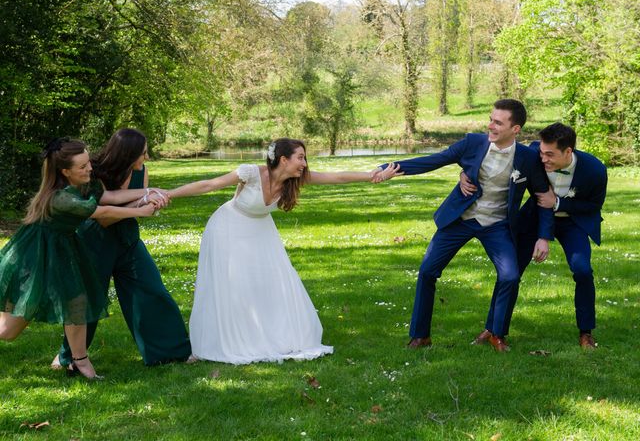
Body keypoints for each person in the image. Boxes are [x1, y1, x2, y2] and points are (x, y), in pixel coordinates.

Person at [168, 138, 399, 364]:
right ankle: (224, 341)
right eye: (300, 157)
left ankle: (265, 336)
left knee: (272, 282)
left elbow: (336, 177)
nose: (304, 163)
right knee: (236, 285)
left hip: (260, 230)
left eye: (305, 158)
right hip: (228, 228)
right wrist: (167, 194)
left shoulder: (295, 180)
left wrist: (373, 175)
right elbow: (209, 184)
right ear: (283, 159)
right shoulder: (250, 173)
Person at [380, 99, 554, 352]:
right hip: (460, 219)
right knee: (428, 271)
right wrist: (388, 168)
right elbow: (435, 160)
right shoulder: (473, 142)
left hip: (497, 225)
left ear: (515, 129)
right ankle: (420, 336)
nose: (490, 125)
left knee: (510, 276)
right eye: (490, 119)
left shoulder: (527, 158)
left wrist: (544, 236)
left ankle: (497, 333)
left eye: (498, 122)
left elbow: (542, 197)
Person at [0, 138, 157, 379]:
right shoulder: (61, 197)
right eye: (82, 167)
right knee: (9, 331)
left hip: (62, 246)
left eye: (88, 163)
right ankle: (77, 360)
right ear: (65, 171)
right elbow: (102, 212)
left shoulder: (82, 184)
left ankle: (80, 361)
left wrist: (150, 192)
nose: (90, 169)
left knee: (77, 302)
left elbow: (111, 197)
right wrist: (140, 211)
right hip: (36, 254)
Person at [53, 129, 192, 369]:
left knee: (153, 291)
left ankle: (172, 353)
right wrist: (143, 203)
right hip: (95, 244)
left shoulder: (142, 172)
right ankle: (68, 357)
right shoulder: (94, 172)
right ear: (127, 154)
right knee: (89, 303)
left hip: (128, 241)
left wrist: (150, 200)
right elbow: (104, 218)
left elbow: (137, 201)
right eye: (143, 153)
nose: (146, 158)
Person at [464, 122, 607, 349]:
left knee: (583, 270)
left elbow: (593, 205)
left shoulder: (594, 170)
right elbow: (490, 159)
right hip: (534, 218)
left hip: (572, 222)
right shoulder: (532, 154)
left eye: (550, 155)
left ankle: (586, 332)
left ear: (568, 151)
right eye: (542, 153)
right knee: (510, 272)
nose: (543, 159)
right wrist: (465, 174)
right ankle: (493, 328)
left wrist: (558, 202)